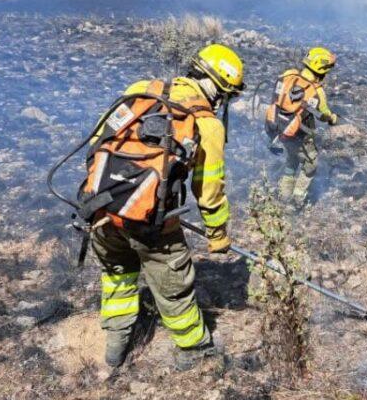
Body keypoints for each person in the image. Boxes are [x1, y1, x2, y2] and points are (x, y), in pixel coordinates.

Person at [85, 43, 244, 368]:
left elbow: (97, 142)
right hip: (153, 226)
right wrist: (217, 236)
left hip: (101, 209)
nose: (222, 102)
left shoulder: (140, 90)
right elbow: (209, 192)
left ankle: (115, 351)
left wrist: (122, 191)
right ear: (218, 87)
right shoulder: (207, 124)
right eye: (226, 96)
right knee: (175, 292)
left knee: (118, 278)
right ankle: (196, 353)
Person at [265, 47, 338, 206]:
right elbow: (324, 114)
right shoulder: (317, 91)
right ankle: (298, 199)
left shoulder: (288, 75)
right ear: (321, 68)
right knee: (310, 165)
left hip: (280, 130)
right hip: (301, 135)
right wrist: (332, 118)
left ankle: (284, 196)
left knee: (292, 160)